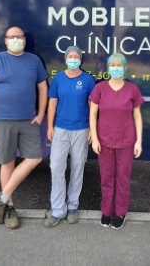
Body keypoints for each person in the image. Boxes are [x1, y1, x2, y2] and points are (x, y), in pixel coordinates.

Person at [0, 26, 48, 229]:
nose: (16, 40)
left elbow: (43, 87)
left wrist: (41, 113)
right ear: (5, 40)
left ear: (25, 40)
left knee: (35, 158)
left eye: (20, 36)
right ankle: (8, 207)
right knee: (7, 163)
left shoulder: (33, 61)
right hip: (2, 121)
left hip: (28, 121)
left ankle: (0, 197)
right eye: (12, 37)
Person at [89, 53, 144, 230]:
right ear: (107, 68)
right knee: (106, 178)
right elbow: (92, 114)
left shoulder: (132, 89)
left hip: (126, 142)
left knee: (123, 179)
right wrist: (95, 138)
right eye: (112, 65)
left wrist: (139, 141)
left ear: (125, 68)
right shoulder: (100, 88)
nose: (116, 68)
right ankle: (106, 211)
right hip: (104, 141)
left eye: (119, 65)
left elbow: (137, 115)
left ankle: (120, 212)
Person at [44, 46, 95, 228]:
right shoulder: (58, 78)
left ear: (81, 59)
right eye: (70, 56)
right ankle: (58, 209)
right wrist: (49, 126)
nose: (73, 59)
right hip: (60, 130)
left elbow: (92, 107)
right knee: (56, 166)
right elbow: (52, 104)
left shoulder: (88, 79)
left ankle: (73, 206)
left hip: (81, 129)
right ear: (65, 58)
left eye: (76, 56)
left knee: (77, 166)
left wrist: (92, 130)